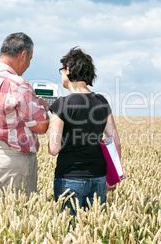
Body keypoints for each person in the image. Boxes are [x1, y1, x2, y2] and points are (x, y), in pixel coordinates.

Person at [0, 32, 50, 198]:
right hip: (10, 164)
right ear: (23, 55)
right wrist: (43, 109)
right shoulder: (17, 84)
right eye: (30, 59)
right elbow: (41, 126)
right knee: (17, 217)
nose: (28, 65)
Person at [48, 47, 121, 216]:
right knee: (92, 230)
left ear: (68, 70)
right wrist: (114, 176)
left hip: (69, 178)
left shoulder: (62, 104)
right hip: (99, 178)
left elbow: (54, 149)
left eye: (62, 71)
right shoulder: (102, 102)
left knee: (68, 231)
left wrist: (53, 114)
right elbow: (114, 140)